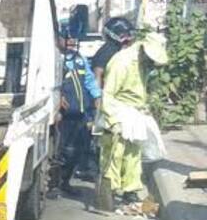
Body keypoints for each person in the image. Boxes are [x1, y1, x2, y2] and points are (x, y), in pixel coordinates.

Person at [99, 31, 169, 207]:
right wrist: (113, 120)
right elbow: (108, 93)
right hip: (118, 110)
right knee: (114, 154)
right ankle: (110, 192)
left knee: (133, 153)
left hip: (135, 112)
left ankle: (130, 190)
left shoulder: (144, 63)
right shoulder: (122, 62)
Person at [57, 29, 102, 194]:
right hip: (65, 116)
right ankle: (56, 184)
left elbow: (89, 80)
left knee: (78, 149)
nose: (70, 41)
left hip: (81, 112)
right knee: (63, 150)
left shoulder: (79, 59)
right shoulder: (56, 60)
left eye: (72, 38)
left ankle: (66, 182)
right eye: (66, 38)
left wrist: (97, 97)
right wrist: (58, 98)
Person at [91, 16, 135, 87]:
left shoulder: (124, 49)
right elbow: (97, 74)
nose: (129, 39)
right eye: (125, 36)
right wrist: (99, 96)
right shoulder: (107, 51)